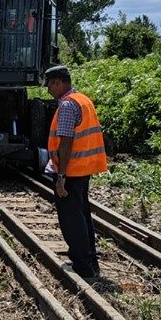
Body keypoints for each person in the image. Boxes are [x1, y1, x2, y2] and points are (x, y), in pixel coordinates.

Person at [44, 65, 107, 278]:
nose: (48, 91)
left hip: (71, 170)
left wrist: (60, 175)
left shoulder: (68, 105)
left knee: (72, 218)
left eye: (50, 85)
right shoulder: (84, 100)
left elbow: (66, 142)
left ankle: (82, 265)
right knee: (82, 215)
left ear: (58, 83)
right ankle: (90, 262)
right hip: (83, 169)